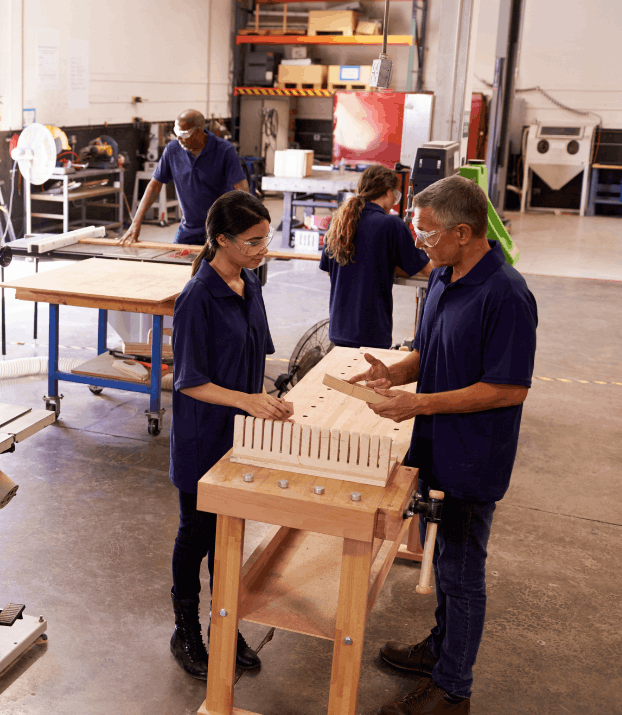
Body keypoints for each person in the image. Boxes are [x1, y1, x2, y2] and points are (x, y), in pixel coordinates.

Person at [347, 175, 537, 715]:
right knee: (447, 559)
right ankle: (440, 649)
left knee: (461, 572)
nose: (419, 242)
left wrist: (420, 404)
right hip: (434, 445)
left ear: (464, 232)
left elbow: (509, 387)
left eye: (427, 234)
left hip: (473, 457)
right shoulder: (443, 276)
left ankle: (454, 688)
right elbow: (427, 351)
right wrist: (395, 373)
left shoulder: (506, 295)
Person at [168, 190, 294, 679]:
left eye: (265, 238)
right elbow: (190, 381)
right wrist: (247, 401)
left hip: (242, 435)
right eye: (252, 241)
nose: (263, 249)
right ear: (221, 240)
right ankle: (185, 631)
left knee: (230, 536)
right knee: (197, 535)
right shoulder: (196, 298)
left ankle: (225, 622)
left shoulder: (250, 282)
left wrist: (267, 400)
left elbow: (255, 354)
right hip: (204, 436)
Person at [319, 164, 432, 349]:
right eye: (395, 193)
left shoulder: (339, 222)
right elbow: (425, 268)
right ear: (388, 192)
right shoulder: (392, 225)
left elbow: (332, 270)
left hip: (339, 329)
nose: (395, 200)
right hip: (371, 332)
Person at [119, 109, 249, 246]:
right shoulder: (173, 149)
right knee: (174, 258)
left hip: (220, 229)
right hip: (188, 229)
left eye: (183, 134)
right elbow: (154, 186)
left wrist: (245, 226)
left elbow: (241, 188)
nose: (178, 138)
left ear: (198, 132)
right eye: (176, 133)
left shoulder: (224, 150)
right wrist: (136, 222)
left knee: (215, 259)